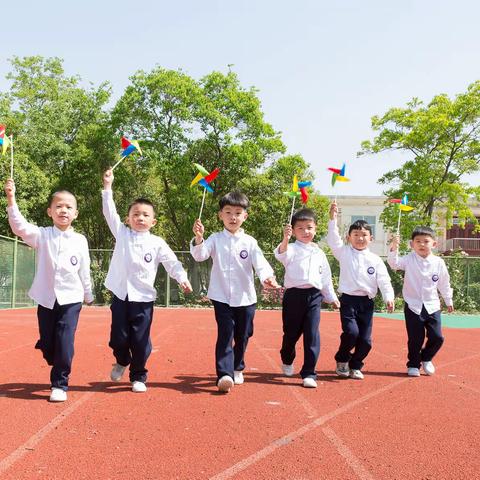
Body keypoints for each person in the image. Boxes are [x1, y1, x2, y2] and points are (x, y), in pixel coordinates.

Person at [102, 168, 192, 393]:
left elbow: (172, 262)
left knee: (140, 340)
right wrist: (107, 187)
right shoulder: (122, 234)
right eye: (135, 214)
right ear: (128, 219)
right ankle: (122, 360)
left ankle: (139, 375)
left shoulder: (158, 243)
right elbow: (109, 212)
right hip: (121, 295)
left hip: (143, 299)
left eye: (145, 215)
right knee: (118, 338)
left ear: (153, 221)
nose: (140, 218)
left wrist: (182, 278)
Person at [4, 178, 93, 402]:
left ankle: (60, 384)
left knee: (65, 339)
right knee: (48, 344)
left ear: (76, 214)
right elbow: (19, 227)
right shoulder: (42, 235)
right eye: (59, 206)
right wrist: (11, 198)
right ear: (50, 211)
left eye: (68, 207)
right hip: (46, 298)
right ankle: (51, 351)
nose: (63, 210)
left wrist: (88, 292)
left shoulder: (80, 240)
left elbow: (85, 268)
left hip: (71, 299)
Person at [190, 191, 279, 393]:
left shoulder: (250, 242)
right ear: (220, 215)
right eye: (228, 212)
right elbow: (200, 256)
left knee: (244, 334)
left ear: (245, 216)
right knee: (225, 333)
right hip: (221, 296)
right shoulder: (214, 238)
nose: (233, 217)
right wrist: (198, 238)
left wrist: (267, 277)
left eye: (238, 213)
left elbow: (261, 264)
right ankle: (224, 374)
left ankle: (237, 366)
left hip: (245, 297)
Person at [327, 201, 394, 380]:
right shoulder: (343, 253)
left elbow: (384, 280)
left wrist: (389, 297)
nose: (360, 238)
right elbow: (333, 240)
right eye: (356, 234)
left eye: (364, 235)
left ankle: (356, 365)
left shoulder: (375, 259)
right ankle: (342, 360)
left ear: (371, 238)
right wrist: (332, 219)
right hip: (348, 301)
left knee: (365, 341)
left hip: (367, 302)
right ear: (349, 237)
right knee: (351, 333)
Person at [274, 208, 340, 388]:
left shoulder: (318, 252)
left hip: (314, 296)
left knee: (312, 334)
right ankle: (287, 359)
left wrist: (331, 297)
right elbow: (281, 255)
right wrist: (286, 239)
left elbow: (325, 277)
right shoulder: (292, 248)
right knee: (291, 334)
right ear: (293, 230)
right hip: (294, 296)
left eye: (309, 228)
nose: (305, 232)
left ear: (316, 229)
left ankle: (309, 372)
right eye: (300, 228)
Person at [388, 227, 453, 377]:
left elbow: (444, 282)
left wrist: (448, 299)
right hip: (413, 305)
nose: (422, 244)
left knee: (437, 337)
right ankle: (413, 364)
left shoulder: (438, 262)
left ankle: (426, 357)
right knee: (415, 338)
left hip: (432, 305)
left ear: (434, 244)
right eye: (418, 241)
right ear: (412, 244)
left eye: (426, 241)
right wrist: (394, 246)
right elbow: (394, 264)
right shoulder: (408, 259)